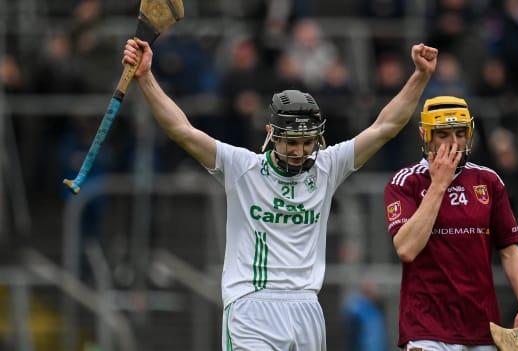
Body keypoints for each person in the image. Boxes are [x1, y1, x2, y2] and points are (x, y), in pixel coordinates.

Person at [122, 38, 438, 350]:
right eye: (291, 142)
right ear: (271, 135)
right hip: (251, 304)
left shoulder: (327, 167)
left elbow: (386, 126)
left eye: (307, 142)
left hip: (306, 307)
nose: (300, 151)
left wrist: (420, 76)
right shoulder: (242, 168)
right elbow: (182, 131)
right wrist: (147, 77)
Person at [383, 96, 518, 350]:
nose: (454, 144)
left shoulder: (489, 181)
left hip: (481, 329)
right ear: (425, 135)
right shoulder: (405, 182)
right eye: (443, 134)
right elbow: (406, 248)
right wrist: (439, 185)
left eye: (460, 133)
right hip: (426, 329)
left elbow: (510, 252)